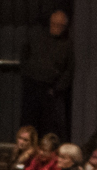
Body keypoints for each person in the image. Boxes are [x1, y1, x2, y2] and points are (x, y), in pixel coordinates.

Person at [20, 9, 75, 138]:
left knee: (49, 126)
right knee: (29, 123)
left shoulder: (67, 44)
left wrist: (57, 88)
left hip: (51, 90)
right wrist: (27, 73)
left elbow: (69, 69)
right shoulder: (36, 37)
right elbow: (24, 54)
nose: (56, 27)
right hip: (32, 86)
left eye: (60, 25)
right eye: (54, 24)